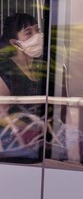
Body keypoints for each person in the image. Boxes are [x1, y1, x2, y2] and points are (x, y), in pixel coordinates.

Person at [0, 13, 46, 161]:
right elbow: (2, 117)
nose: (37, 35)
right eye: (29, 32)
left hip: (43, 135)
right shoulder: (5, 70)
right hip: (15, 139)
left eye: (37, 30)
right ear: (15, 42)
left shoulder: (42, 68)